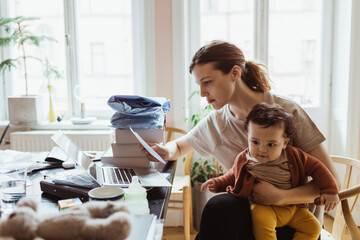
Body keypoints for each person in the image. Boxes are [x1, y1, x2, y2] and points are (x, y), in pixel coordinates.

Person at [141, 40, 341, 240]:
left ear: (235, 73)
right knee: (219, 208)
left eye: (207, 82)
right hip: (250, 214)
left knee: (222, 213)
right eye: (199, 84)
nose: (202, 93)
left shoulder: (286, 112)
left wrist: (280, 197)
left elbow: (333, 181)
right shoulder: (216, 123)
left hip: (295, 218)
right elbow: (178, 146)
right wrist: (165, 150)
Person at [201, 103, 339, 240]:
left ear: (285, 143)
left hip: (293, 208)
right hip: (263, 207)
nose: (262, 149)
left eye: (271, 144)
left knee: (313, 227)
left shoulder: (295, 156)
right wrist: (217, 183)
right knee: (263, 226)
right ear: (248, 137)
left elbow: (319, 169)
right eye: (255, 142)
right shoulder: (245, 158)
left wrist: (330, 191)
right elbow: (232, 175)